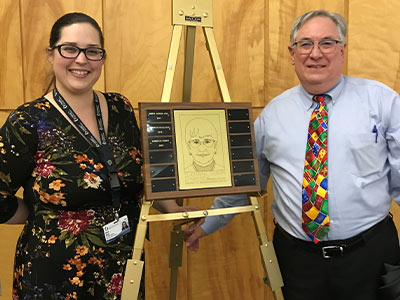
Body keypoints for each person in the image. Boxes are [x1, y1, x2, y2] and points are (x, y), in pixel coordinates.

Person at [184, 9, 400, 300]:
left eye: (327, 43)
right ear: (292, 53)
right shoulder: (272, 114)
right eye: (305, 44)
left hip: (369, 257)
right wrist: (209, 222)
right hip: (297, 261)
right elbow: (248, 181)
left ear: (342, 50)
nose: (315, 53)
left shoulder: (382, 102)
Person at [0, 12, 196, 300]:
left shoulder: (121, 108)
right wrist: (40, 212)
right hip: (54, 278)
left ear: (102, 58)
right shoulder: (28, 121)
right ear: (51, 54)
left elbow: (143, 176)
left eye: (92, 51)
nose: (81, 60)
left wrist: (181, 214)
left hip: (122, 270)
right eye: (70, 49)